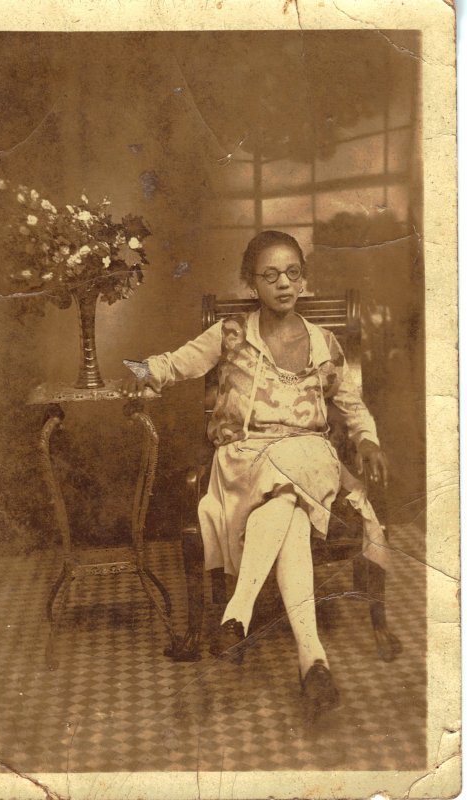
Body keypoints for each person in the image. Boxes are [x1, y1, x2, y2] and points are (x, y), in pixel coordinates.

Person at [122, 230, 389, 718]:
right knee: (286, 507)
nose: (283, 283)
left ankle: (237, 614)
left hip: (308, 455)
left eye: (292, 273)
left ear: (303, 280)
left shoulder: (324, 343)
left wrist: (367, 438)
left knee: (297, 468)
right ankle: (312, 661)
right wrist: (136, 372)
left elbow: (351, 405)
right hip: (245, 462)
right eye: (270, 276)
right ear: (251, 283)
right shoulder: (229, 334)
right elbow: (177, 364)